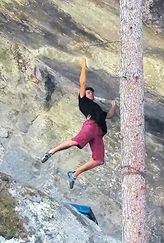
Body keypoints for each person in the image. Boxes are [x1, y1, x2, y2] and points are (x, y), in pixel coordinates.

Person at [41, 57, 116, 189]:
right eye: (88, 92)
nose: (90, 94)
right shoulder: (83, 101)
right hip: (91, 125)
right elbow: (82, 83)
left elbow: (109, 115)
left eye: (92, 93)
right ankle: (51, 151)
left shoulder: (98, 109)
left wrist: (114, 105)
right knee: (75, 142)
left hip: (99, 134)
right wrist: (83, 67)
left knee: (99, 160)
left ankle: (74, 174)